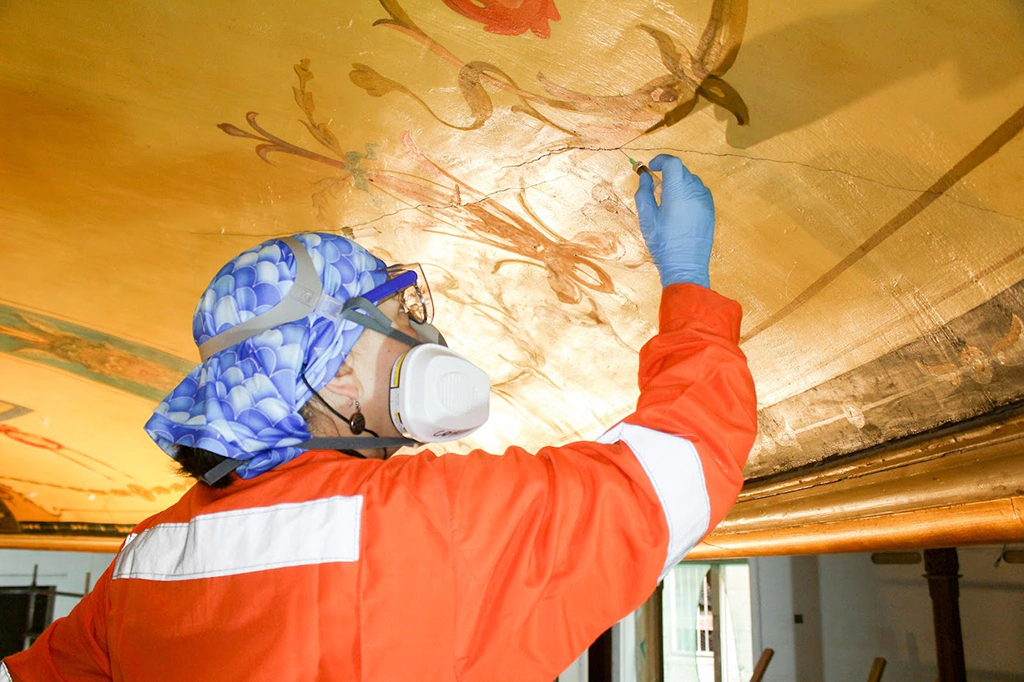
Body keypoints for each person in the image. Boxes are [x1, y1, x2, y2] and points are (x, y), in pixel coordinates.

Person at [1, 155, 757, 682]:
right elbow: (676, 470)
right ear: (332, 370)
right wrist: (687, 277)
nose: (424, 340)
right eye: (399, 318)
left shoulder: (145, 559)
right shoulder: (422, 521)